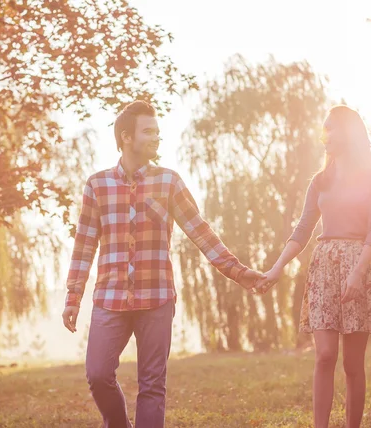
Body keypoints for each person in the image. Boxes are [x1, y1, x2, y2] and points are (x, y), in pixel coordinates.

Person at [62, 100, 265, 428]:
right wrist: (73, 297)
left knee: (152, 385)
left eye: (157, 131)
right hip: (109, 300)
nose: (156, 137)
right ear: (126, 137)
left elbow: (201, 232)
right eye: (148, 131)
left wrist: (239, 273)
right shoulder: (97, 185)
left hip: (156, 299)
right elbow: (84, 245)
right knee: (98, 374)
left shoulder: (169, 182)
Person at [255, 105, 371, 428]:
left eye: (331, 129)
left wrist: (358, 273)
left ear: (349, 133)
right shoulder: (320, 181)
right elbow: (303, 230)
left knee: (353, 364)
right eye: (324, 129)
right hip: (324, 269)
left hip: (360, 265)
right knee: (325, 355)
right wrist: (276, 268)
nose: (325, 136)